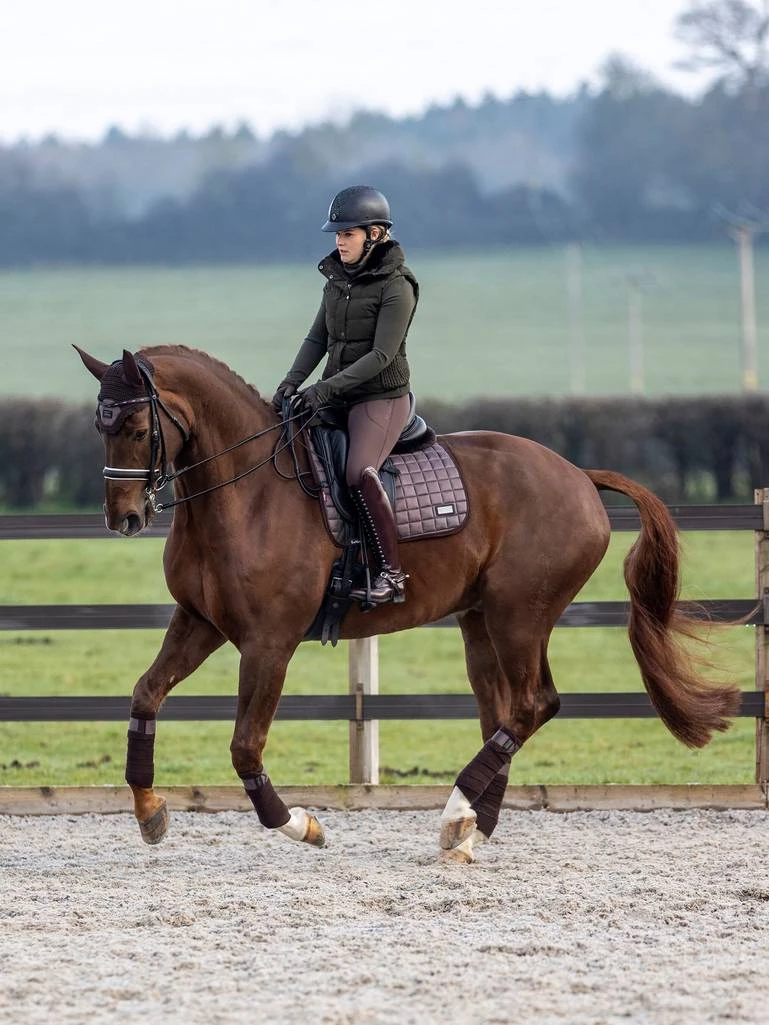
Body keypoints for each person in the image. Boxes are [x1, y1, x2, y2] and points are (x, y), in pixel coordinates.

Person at [271, 185, 419, 605]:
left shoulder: (398, 286)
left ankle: (392, 575)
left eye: (347, 234)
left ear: (375, 234)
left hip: (380, 398)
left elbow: (381, 356)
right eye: (337, 234)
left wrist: (323, 389)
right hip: (337, 393)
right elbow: (317, 338)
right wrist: (289, 383)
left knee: (358, 472)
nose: (339, 242)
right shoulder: (337, 280)